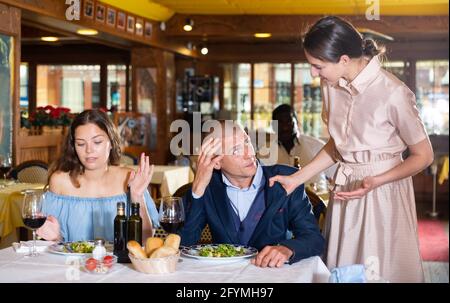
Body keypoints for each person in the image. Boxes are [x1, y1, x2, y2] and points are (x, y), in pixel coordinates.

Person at [269, 16, 434, 282]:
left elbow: (424, 156)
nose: (313, 73)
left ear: (344, 59)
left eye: (317, 66)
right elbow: (339, 145)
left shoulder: (394, 92)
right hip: (346, 189)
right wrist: (295, 179)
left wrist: (376, 180)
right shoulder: (329, 85)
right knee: (342, 268)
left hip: (383, 192)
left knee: (379, 270)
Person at [179, 121, 324, 267]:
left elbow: (314, 239)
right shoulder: (207, 189)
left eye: (247, 142)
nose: (249, 154)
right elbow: (183, 244)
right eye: (236, 151)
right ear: (216, 162)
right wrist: (197, 189)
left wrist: (288, 249)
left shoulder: (287, 179)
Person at [37, 109, 159, 242]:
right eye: (81, 144)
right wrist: (56, 238)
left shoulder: (129, 178)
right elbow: (50, 242)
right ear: (73, 147)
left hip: (121, 263)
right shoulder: (60, 181)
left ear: (111, 142)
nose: (89, 150)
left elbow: (146, 239)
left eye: (97, 142)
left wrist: (137, 196)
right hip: (71, 262)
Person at [271, 103, 336, 185]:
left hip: (314, 197)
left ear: (297, 123)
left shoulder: (317, 146)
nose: (285, 127)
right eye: (280, 123)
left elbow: (334, 177)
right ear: (273, 126)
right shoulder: (267, 152)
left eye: (289, 122)